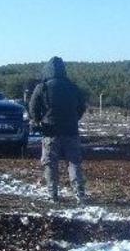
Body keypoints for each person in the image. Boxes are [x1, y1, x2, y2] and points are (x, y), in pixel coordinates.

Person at [28, 56, 87, 204]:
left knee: (50, 163)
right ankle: (79, 193)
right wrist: (74, 119)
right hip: (71, 131)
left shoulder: (42, 87)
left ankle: (52, 193)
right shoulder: (72, 87)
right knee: (74, 163)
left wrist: (38, 120)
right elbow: (82, 107)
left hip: (50, 131)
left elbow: (33, 107)